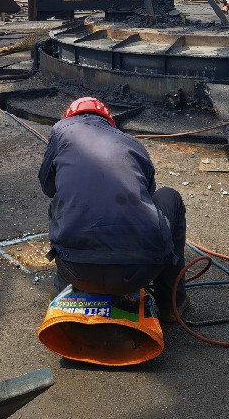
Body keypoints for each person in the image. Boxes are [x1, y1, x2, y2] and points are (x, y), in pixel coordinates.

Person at [38, 97, 189, 320]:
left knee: (60, 204)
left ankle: (62, 290)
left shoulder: (61, 129)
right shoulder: (131, 143)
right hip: (140, 271)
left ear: (69, 116)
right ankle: (171, 305)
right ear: (108, 121)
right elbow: (147, 195)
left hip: (76, 270)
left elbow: (48, 187)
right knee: (171, 197)